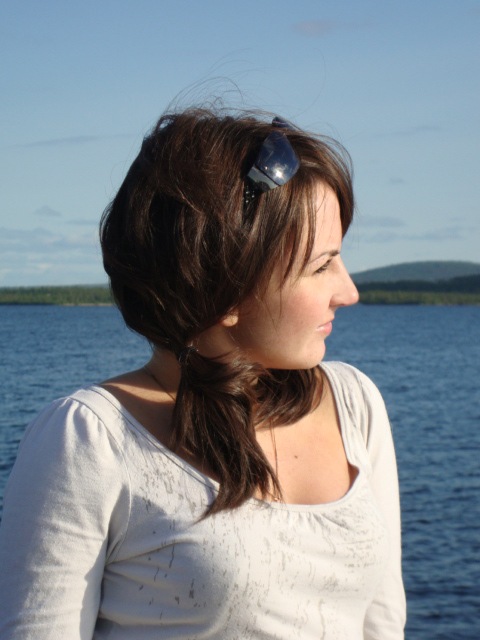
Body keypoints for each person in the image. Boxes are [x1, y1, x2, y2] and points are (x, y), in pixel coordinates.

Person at [0, 106, 406, 639]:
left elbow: (382, 623)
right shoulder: (89, 440)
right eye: (321, 265)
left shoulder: (354, 402)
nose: (349, 292)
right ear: (228, 286)